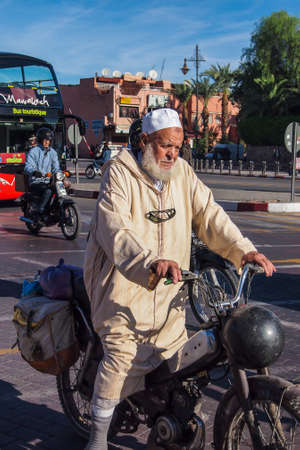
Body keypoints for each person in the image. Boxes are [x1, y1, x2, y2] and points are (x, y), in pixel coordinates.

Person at [83, 108, 275, 449]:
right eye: (165, 146)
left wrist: (243, 251)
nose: (172, 153)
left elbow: (210, 215)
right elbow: (115, 230)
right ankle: (97, 439)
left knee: (180, 363)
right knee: (120, 359)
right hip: (121, 290)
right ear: (145, 141)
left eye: (178, 146)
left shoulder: (183, 174)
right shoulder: (120, 173)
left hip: (170, 292)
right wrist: (150, 262)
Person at [24, 128, 60, 220]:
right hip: (36, 181)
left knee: (61, 188)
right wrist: (34, 172)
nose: (47, 142)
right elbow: (28, 166)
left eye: (49, 140)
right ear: (40, 140)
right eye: (45, 140)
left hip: (48, 180)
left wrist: (60, 175)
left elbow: (56, 167)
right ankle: (41, 210)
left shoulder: (53, 153)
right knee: (48, 190)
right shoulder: (34, 151)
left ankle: (55, 210)